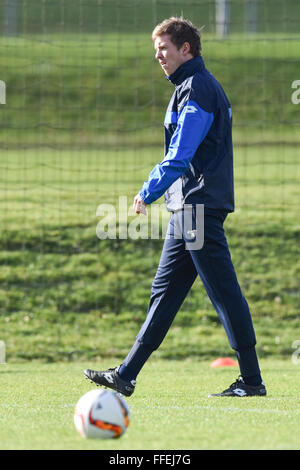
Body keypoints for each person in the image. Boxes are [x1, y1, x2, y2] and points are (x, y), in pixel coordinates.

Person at [84, 17, 266, 397]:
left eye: (164, 48)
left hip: (197, 207)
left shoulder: (198, 88)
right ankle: (126, 374)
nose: (158, 56)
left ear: (187, 49)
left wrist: (147, 190)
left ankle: (251, 380)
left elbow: (180, 153)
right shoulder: (188, 86)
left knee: (223, 292)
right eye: (156, 51)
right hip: (186, 209)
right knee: (164, 293)